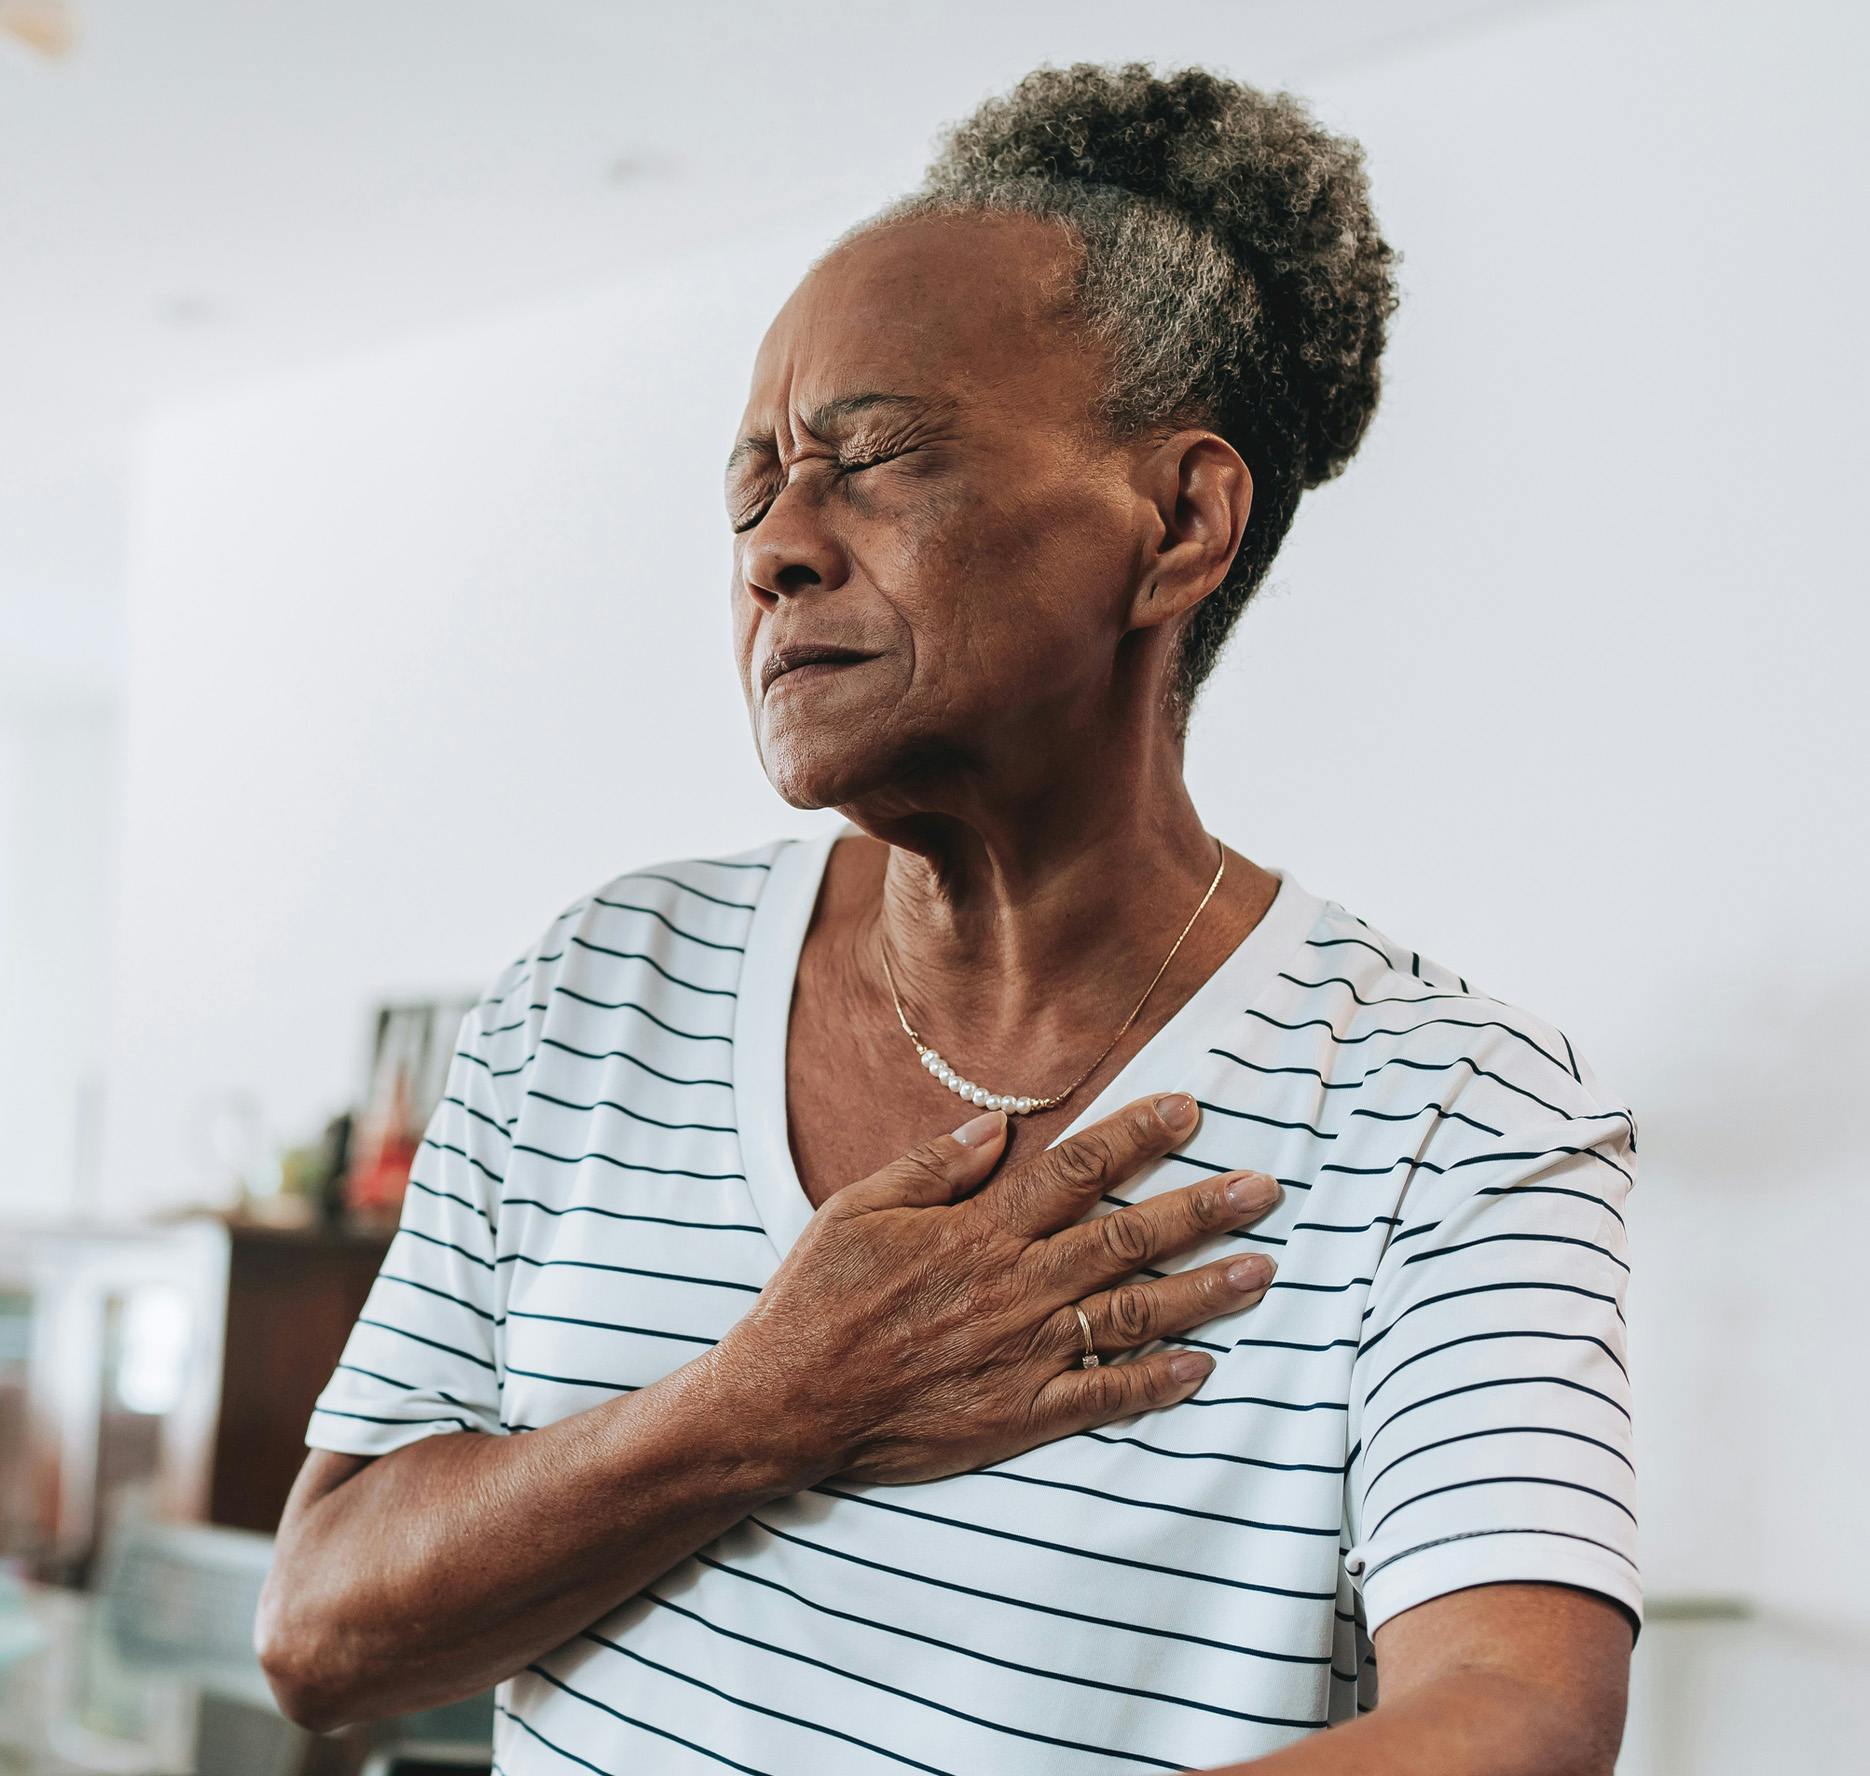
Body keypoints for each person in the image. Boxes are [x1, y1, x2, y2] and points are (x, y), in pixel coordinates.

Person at [256, 61, 1640, 1775]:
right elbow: (321, 1636)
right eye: (752, 485)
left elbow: (1515, 1720)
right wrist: (771, 1400)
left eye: (874, 459)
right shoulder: (601, 984)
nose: (775, 549)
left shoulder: (1452, 1110)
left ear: (1177, 523)